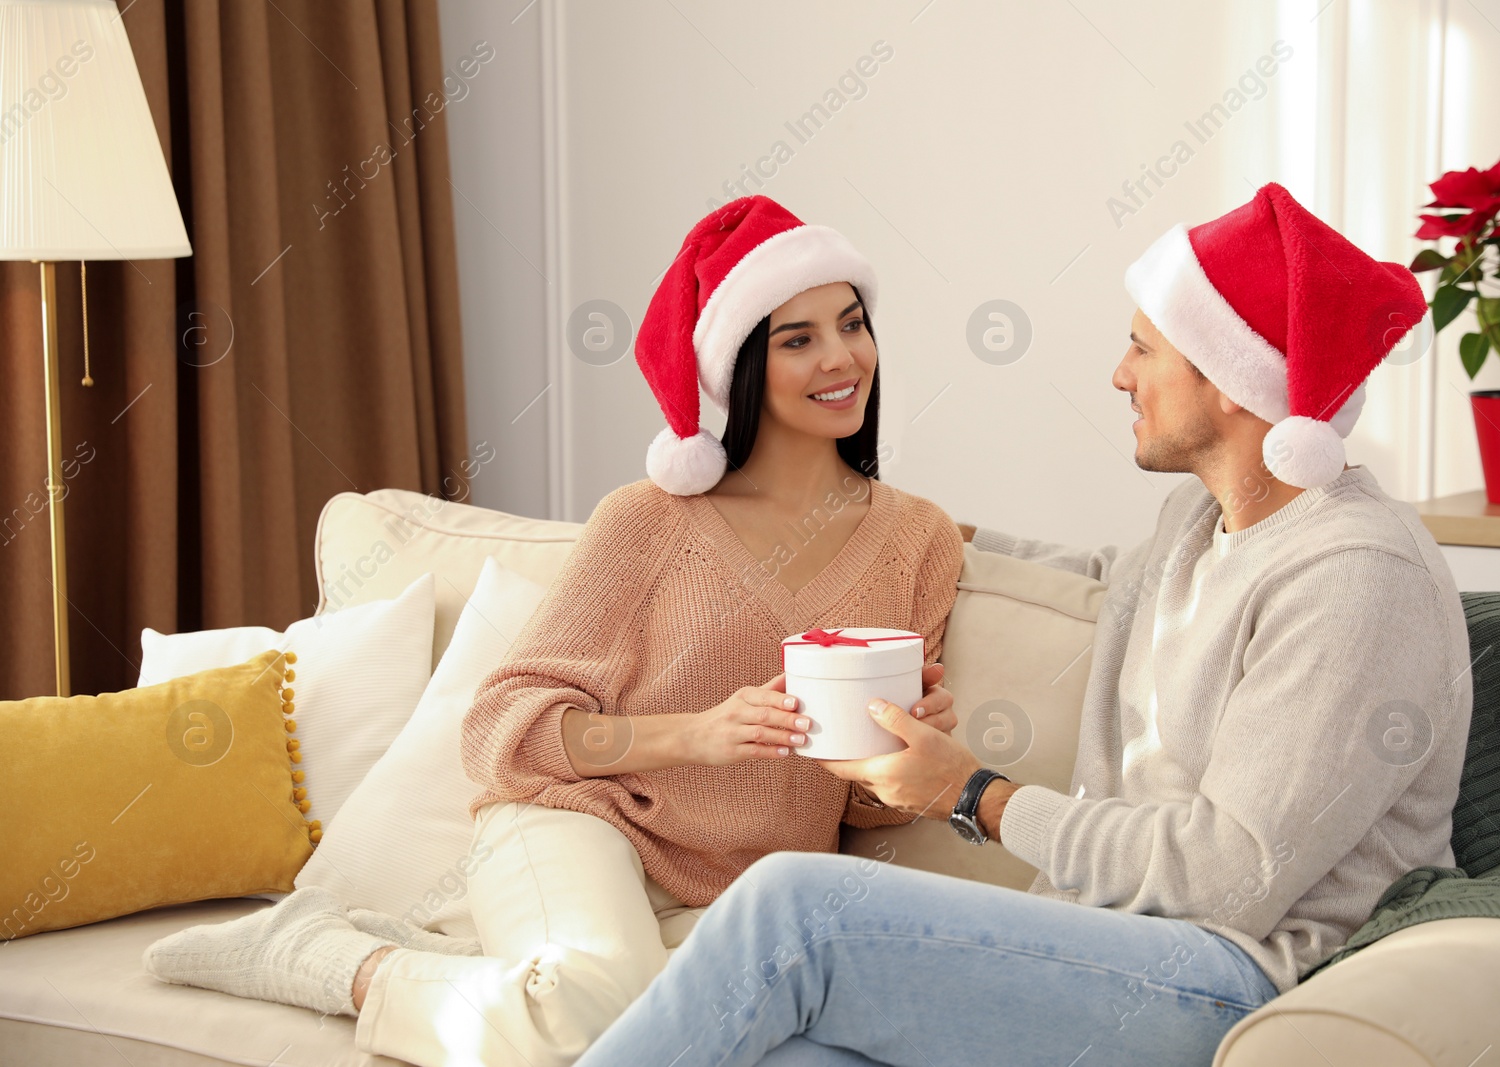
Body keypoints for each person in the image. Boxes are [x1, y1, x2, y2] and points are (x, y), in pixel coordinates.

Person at [572, 182, 1474, 1067]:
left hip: (1243, 978)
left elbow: (1227, 875)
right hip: (1107, 942)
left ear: (1233, 382)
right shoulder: (1204, 526)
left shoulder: (1354, 576)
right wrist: (906, 524)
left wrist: (974, 795)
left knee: (794, 910)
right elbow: (1107, 582)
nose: (1120, 374)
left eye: (1142, 349)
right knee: (792, 1051)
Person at [142, 196, 965, 1067]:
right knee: (594, 1017)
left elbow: (859, 799)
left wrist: (905, 763)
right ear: (741, 366)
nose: (842, 358)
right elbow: (501, 727)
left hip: (743, 888)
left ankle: (472, 966)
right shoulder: (648, 523)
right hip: (580, 824)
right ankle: (326, 958)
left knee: (689, 1031)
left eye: (851, 324)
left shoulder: (919, 539)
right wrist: (697, 733)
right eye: (797, 338)